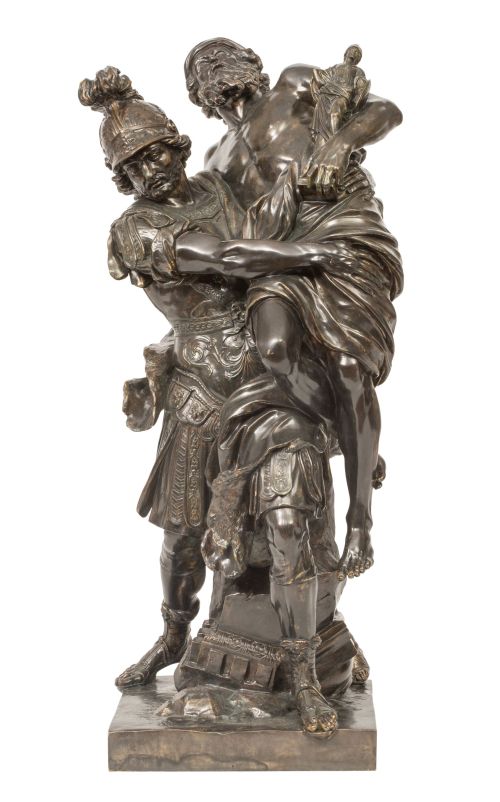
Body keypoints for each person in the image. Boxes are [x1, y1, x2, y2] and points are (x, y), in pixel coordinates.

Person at [79, 68, 351, 732]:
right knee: (183, 534)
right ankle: (174, 635)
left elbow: (277, 188)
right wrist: (317, 255)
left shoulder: (215, 187)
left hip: (269, 383)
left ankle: (304, 667)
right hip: (200, 395)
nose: (149, 170)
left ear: (176, 144)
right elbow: (229, 258)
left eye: (156, 152)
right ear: (121, 178)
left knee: (290, 527)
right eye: (132, 166)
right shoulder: (135, 229)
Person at [184, 38, 403, 580]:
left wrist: (340, 144)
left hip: (342, 227)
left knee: (349, 368)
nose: (214, 70)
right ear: (198, 94)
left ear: (249, 64)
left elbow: (385, 111)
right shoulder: (215, 160)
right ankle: (350, 433)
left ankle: (360, 520)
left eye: (221, 58)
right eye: (202, 69)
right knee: (276, 350)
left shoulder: (293, 83)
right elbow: (224, 238)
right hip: (278, 256)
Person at [310, 44, 371, 144]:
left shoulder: (358, 70)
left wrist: (361, 85)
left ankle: (337, 142)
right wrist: (316, 73)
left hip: (343, 95)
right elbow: (323, 79)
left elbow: (360, 86)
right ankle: (326, 141)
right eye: (352, 50)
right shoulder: (336, 67)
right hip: (326, 93)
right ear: (346, 53)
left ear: (358, 58)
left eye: (357, 52)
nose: (354, 53)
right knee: (321, 115)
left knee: (335, 113)